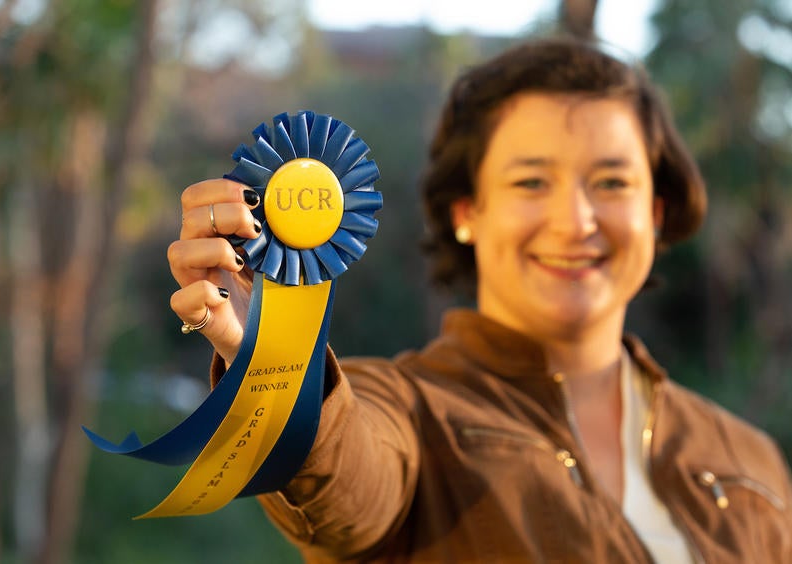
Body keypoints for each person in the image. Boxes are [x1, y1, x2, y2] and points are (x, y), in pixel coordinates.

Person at [168, 35, 792, 562]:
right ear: (467, 211)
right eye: (531, 181)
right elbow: (342, 485)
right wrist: (274, 354)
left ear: (655, 213)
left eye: (611, 181)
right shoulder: (411, 416)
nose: (576, 220)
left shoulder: (750, 462)